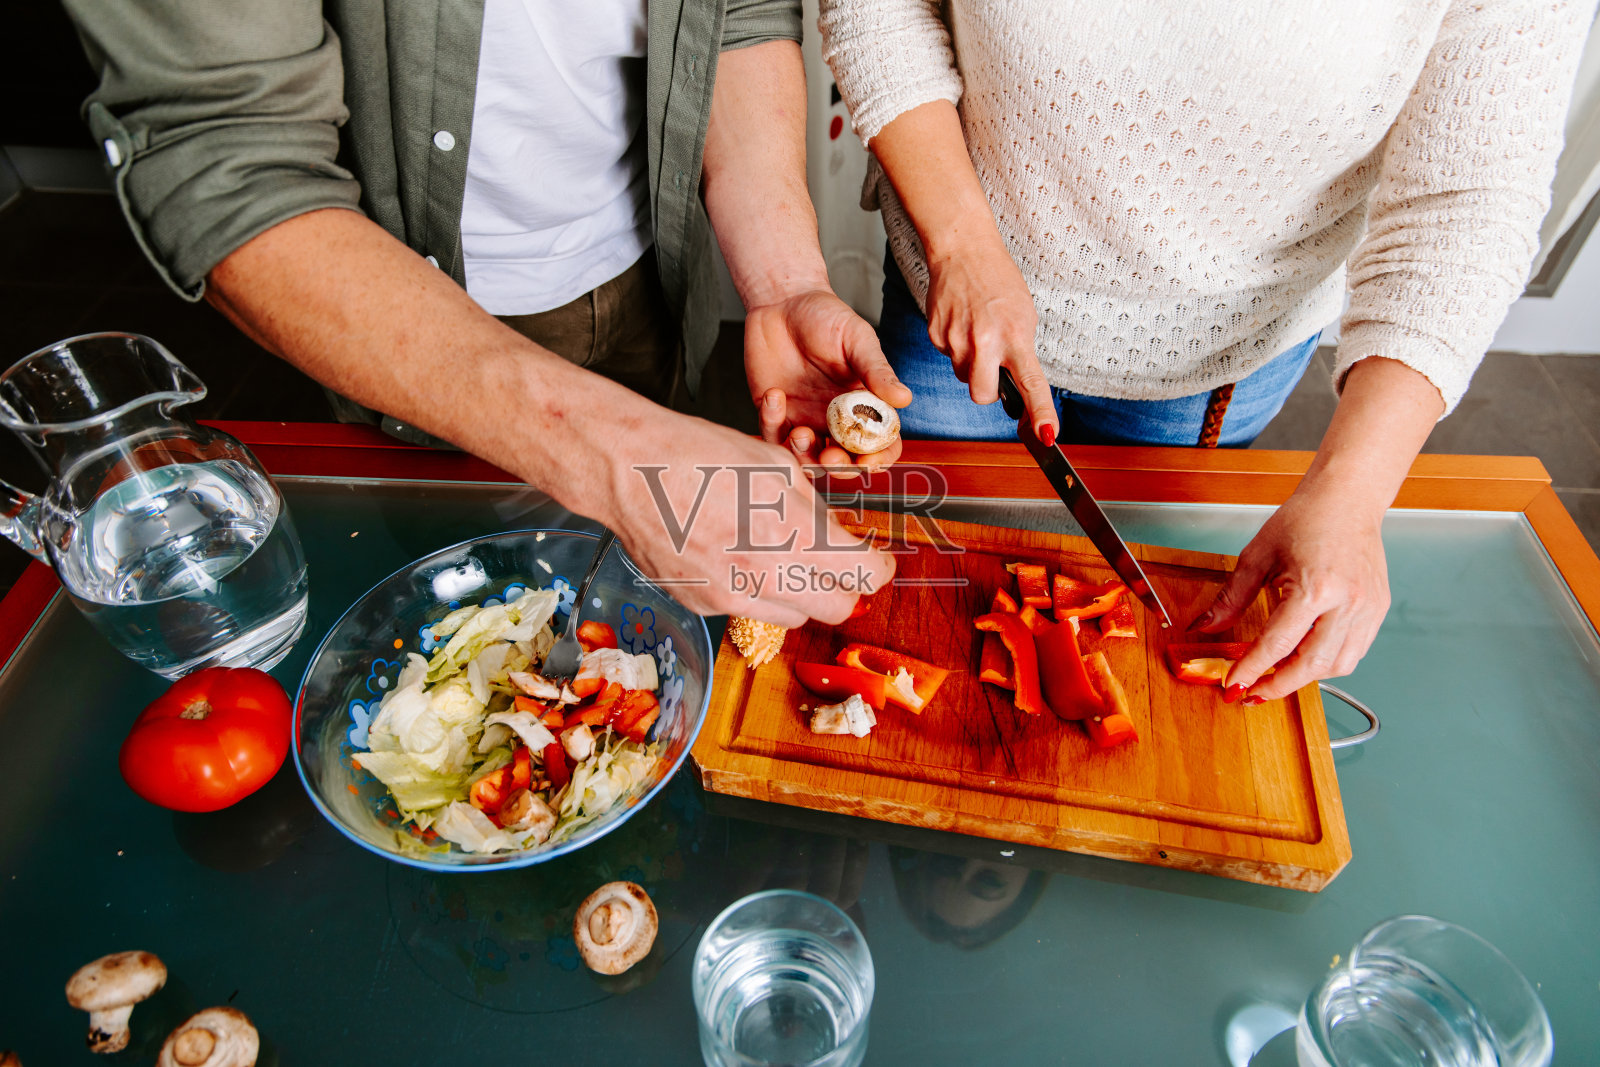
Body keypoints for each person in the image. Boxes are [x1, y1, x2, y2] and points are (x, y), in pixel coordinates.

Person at [819, 0, 1596, 701]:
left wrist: (1355, 496)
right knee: (903, 577)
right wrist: (960, 244)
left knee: (1152, 641)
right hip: (950, 289)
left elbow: (1470, 197)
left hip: (1217, 362)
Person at [61, 0, 907, 627]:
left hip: (650, 278)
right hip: (414, 318)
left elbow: (738, 17)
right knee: (471, 613)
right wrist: (618, 457)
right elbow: (232, 169)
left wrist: (783, 283)